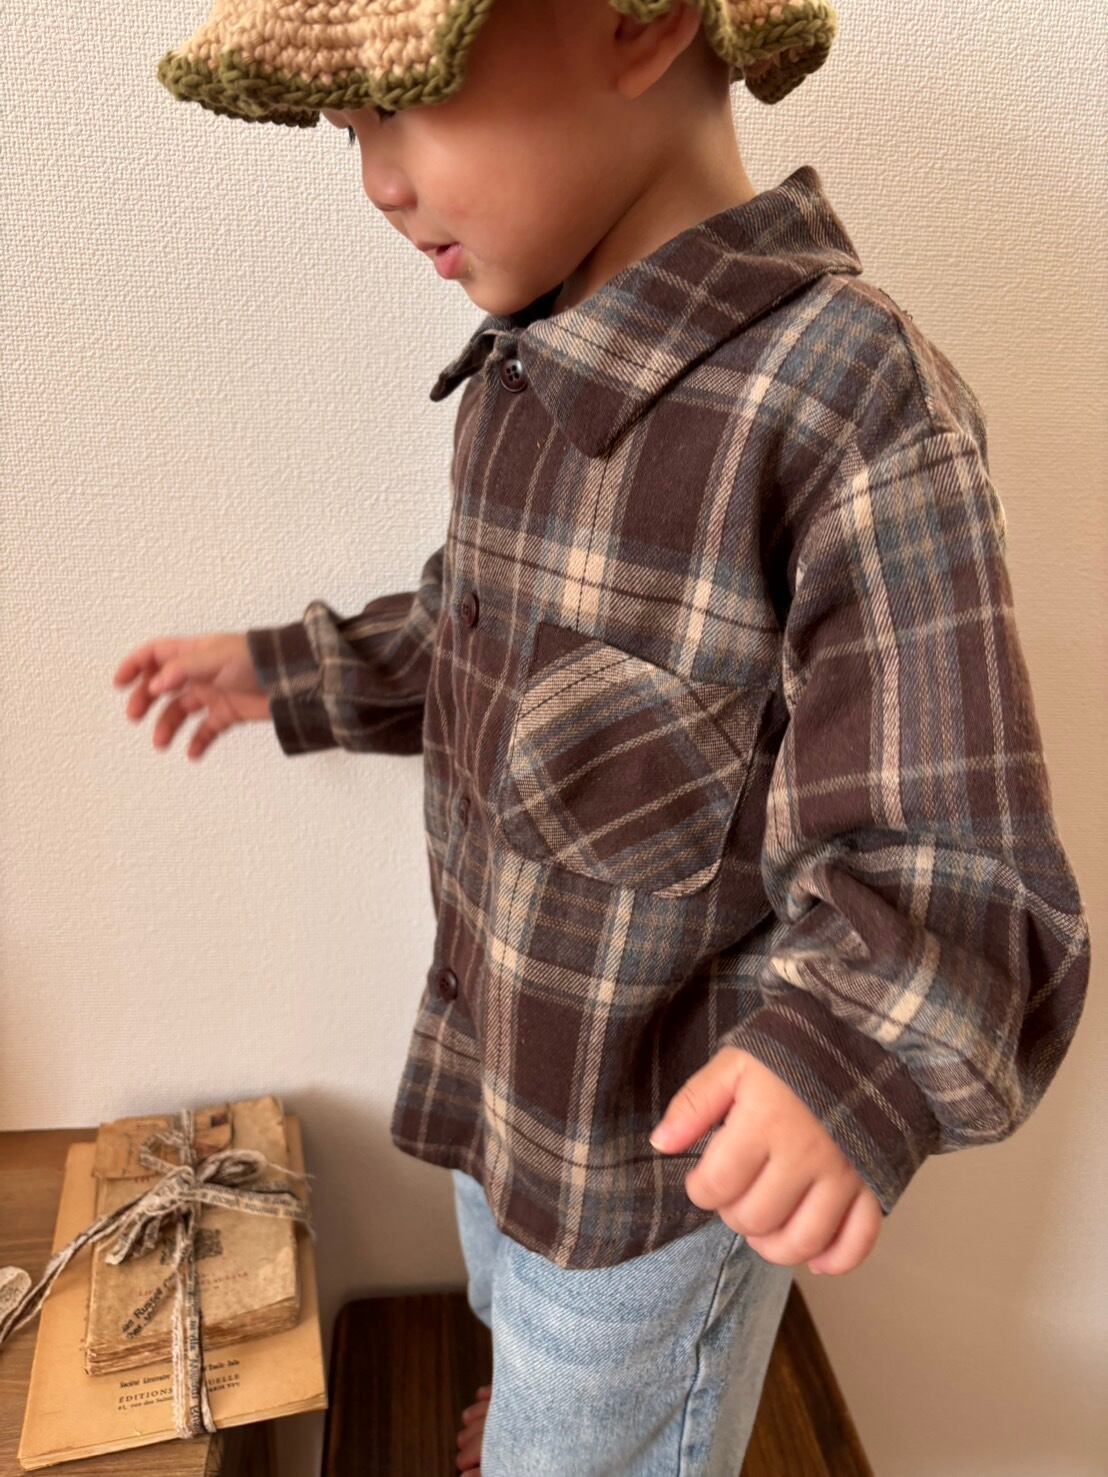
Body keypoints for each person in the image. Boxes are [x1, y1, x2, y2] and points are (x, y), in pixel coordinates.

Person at [114, 1, 1092, 1471]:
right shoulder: (522, 373)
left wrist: (848, 1058)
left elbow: (953, 843)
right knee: (518, 1323)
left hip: (655, 1171)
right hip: (509, 1085)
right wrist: (286, 671)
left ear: (636, 23)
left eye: (405, 103)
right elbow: (479, 637)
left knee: (600, 1423)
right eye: (349, 129)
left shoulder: (845, 403)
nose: (376, 180)